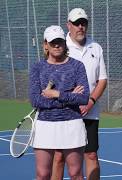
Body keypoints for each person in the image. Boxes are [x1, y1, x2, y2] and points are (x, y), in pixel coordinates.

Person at [51, 8, 107, 180]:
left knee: (91, 155)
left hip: (90, 113)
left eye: (83, 23)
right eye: (76, 23)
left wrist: (90, 101)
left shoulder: (95, 48)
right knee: (60, 156)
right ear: (69, 25)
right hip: (65, 113)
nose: (80, 27)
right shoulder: (59, 46)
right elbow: (50, 81)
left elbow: (102, 80)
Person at [29, 25, 90, 180]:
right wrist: (69, 97)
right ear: (45, 45)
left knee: (76, 174)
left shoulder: (77, 66)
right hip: (45, 125)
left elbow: (83, 98)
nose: (56, 45)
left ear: (64, 43)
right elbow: (35, 100)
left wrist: (56, 94)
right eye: (52, 42)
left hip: (72, 124)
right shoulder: (37, 68)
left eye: (60, 42)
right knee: (42, 175)